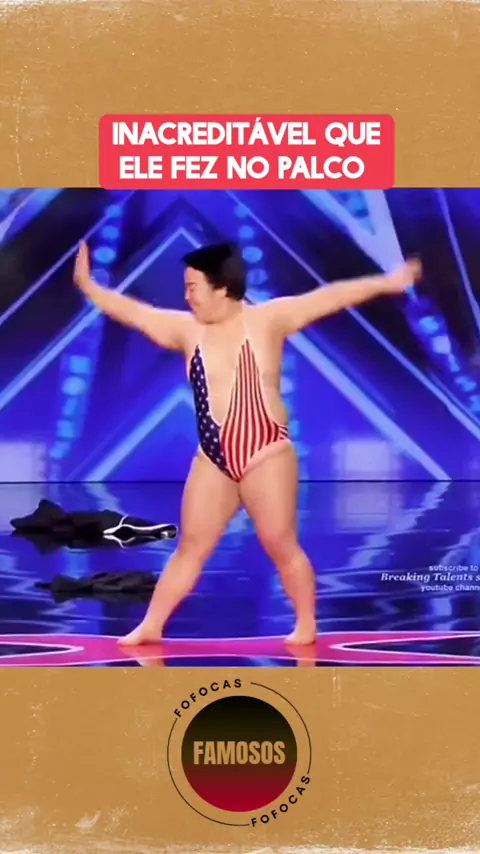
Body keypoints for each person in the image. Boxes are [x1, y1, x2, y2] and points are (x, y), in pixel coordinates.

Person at [73, 240, 421, 646]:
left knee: (280, 544)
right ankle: (151, 625)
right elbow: (134, 313)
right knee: (190, 549)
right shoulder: (187, 330)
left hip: (266, 454)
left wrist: (388, 283)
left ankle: (306, 622)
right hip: (214, 460)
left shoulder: (269, 319)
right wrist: (88, 286)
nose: (186, 297)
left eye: (192, 287)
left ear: (222, 287)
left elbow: (332, 297)